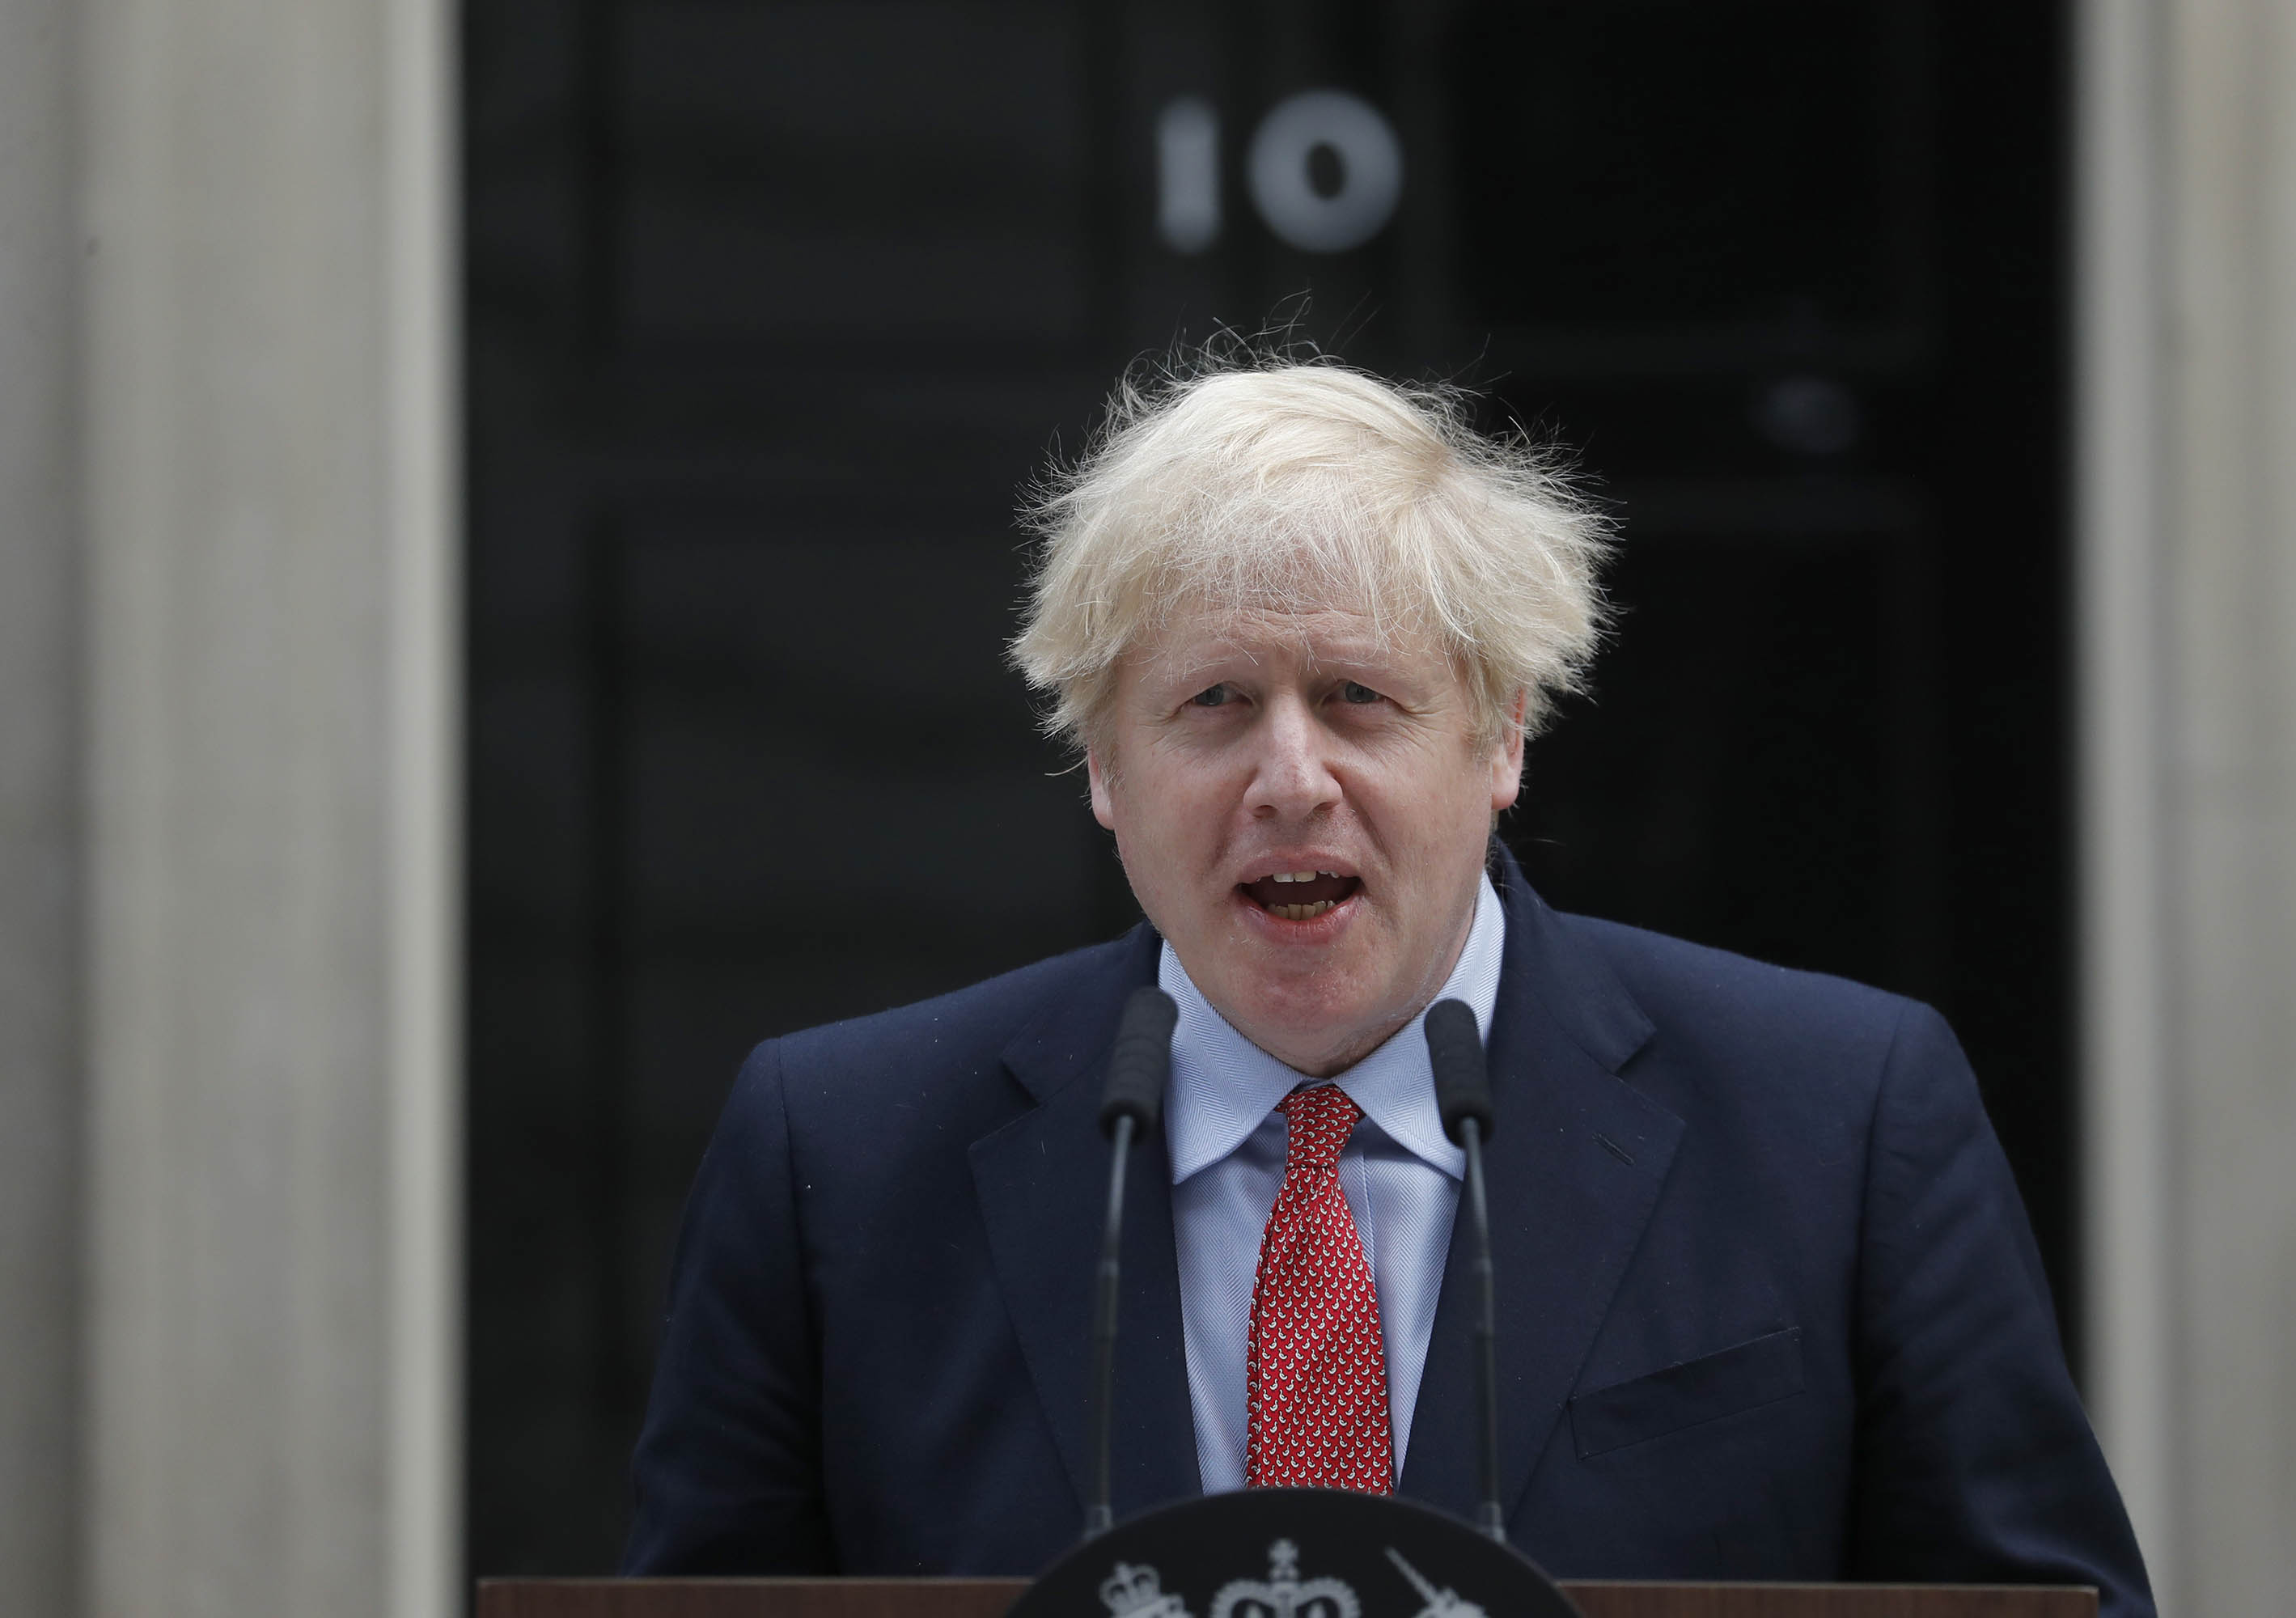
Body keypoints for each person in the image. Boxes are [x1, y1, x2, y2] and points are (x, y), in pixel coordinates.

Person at [621, 360, 2153, 1615]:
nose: (1293, 780)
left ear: (1500, 736)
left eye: (1359, 698)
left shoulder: (1843, 1116)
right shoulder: (834, 1151)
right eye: (1214, 705)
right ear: (1102, 763)